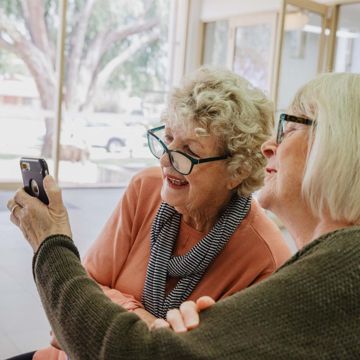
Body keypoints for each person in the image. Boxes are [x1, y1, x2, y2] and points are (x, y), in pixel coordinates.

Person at [8, 72, 360, 358]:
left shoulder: (268, 259)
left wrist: (104, 308)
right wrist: (149, 323)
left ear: (236, 170)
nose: (166, 160)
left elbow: (119, 338)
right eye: (169, 139)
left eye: (189, 151)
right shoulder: (146, 188)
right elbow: (81, 296)